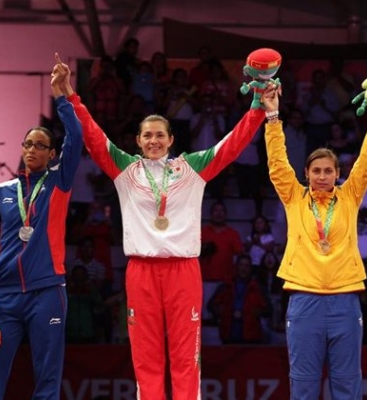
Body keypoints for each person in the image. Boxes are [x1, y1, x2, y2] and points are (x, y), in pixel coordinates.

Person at [65, 62, 268, 399]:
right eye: (148, 135)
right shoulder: (124, 169)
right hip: (141, 271)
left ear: (171, 139)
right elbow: (93, 136)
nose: (154, 140)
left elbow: (232, 145)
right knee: (146, 356)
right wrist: (71, 96)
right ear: (138, 141)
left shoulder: (192, 167)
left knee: (186, 355)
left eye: (160, 134)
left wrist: (259, 107)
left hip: (183, 270)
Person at [262, 83, 367, 399]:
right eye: (316, 170)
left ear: (337, 173)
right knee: (303, 385)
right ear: (306, 172)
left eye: (328, 170)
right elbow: (277, 163)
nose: (322, 176)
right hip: (304, 300)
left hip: (345, 300)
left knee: (347, 385)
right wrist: (272, 116)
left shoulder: (350, 196)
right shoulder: (294, 197)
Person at [0, 54, 83, 399]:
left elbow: (76, 139)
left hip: (47, 291)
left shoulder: (58, 184)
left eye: (40, 145)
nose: (32, 149)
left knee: (47, 373)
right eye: (28, 144)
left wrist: (61, 96)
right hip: (4, 296)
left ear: (52, 154)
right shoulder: (1, 192)